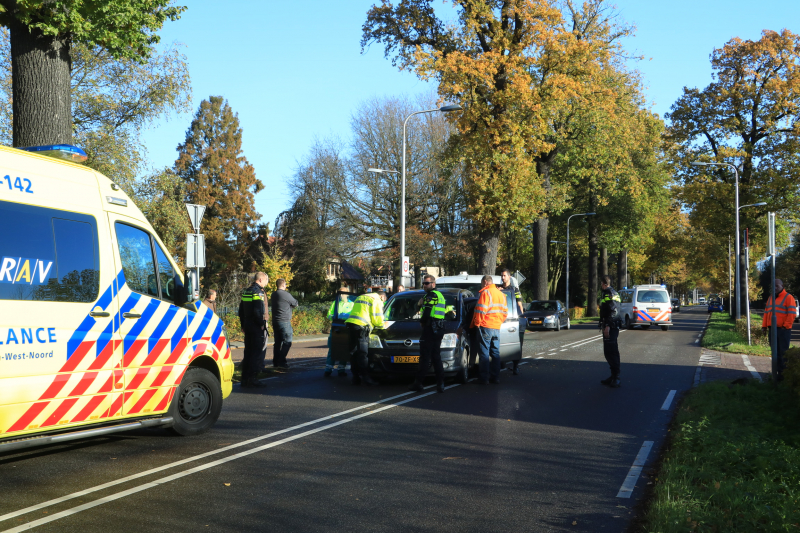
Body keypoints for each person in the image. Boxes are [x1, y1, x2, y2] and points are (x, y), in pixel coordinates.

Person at [410, 275, 447, 393]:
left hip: (430, 328)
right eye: (424, 283)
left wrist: (422, 322)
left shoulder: (431, 295)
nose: (425, 285)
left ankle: (418, 383)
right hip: (439, 328)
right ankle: (440, 383)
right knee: (436, 356)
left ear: (433, 284)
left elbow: (427, 312)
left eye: (427, 283)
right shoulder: (440, 296)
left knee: (425, 357)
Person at [344, 290, 387, 385]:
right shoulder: (376, 299)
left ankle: (355, 377)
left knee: (354, 352)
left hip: (351, 324)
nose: (382, 303)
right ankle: (366, 377)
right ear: (382, 297)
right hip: (362, 327)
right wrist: (382, 326)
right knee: (363, 353)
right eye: (383, 301)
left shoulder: (361, 296)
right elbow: (377, 317)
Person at [471, 275, 508, 384]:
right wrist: (498, 322)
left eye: (482, 283)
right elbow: (505, 312)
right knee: (495, 353)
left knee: (484, 353)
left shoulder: (486, 293)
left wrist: (477, 323)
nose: (481, 285)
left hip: (485, 326)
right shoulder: (501, 294)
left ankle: (484, 378)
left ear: (485, 282)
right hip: (496, 327)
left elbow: (481, 310)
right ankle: (495, 377)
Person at [238, 272, 269, 388]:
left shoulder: (246, 291)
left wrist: (243, 325)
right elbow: (257, 311)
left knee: (248, 353)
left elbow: (241, 311)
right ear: (261, 280)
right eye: (266, 280)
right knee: (256, 353)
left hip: (247, 325)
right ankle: (253, 378)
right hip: (255, 326)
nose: (266, 283)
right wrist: (261, 324)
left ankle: (244, 379)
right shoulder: (258, 292)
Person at [762, 278, 796, 376]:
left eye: (777, 286)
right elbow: (766, 313)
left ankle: (783, 375)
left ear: (782, 286)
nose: (775, 288)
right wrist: (764, 326)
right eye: (773, 286)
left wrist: (785, 327)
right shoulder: (770, 298)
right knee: (775, 353)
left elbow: (792, 314)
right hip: (772, 329)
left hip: (783, 330)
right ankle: (776, 375)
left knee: (783, 353)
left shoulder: (788, 297)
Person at [499, 268, 524, 375]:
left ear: (509, 277)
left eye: (504, 275)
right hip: (500, 319)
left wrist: (521, 317)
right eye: (502, 276)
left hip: (512, 318)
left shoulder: (515, 290)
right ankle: (501, 363)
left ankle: (515, 366)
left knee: (517, 345)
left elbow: (519, 304)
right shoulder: (498, 288)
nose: (502, 278)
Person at [599, 275, 622, 388]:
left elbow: (613, 311)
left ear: (604, 283)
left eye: (601, 283)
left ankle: (616, 377)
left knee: (611, 352)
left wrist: (607, 325)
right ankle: (613, 376)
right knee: (609, 351)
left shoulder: (609, 293)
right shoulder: (613, 292)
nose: (600, 285)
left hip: (611, 326)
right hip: (612, 325)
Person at [324, 290, 353, 377]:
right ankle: (328, 369)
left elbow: (353, 316)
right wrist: (334, 317)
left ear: (347, 294)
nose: (341, 295)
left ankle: (341, 369)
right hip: (336, 328)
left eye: (343, 293)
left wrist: (345, 317)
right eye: (340, 293)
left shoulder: (352, 304)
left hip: (346, 328)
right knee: (332, 348)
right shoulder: (335, 303)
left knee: (344, 349)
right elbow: (329, 314)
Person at [271, 278, 299, 369]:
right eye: (286, 285)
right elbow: (295, 303)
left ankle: (275, 362)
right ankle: (281, 361)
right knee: (287, 342)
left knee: (277, 342)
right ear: (283, 285)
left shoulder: (273, 294)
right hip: (285, 321)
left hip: (275, 321)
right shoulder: (286, 294)